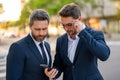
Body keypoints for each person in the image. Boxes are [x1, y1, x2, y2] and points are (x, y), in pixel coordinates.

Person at [45, 3, 110, 80]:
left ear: (79, 19)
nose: (66, 29)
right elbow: (58, 65)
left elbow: (104, 55)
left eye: (69, 25)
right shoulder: (60, 40)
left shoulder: (95, 34)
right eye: (63, 25)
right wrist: (53, 73)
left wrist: (83, 33)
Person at [6, 9, 52, 80]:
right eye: (37, 29)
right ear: (30, 26)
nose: (41, 33)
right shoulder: (17, 47)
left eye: (44, 29)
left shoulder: (47, 45)